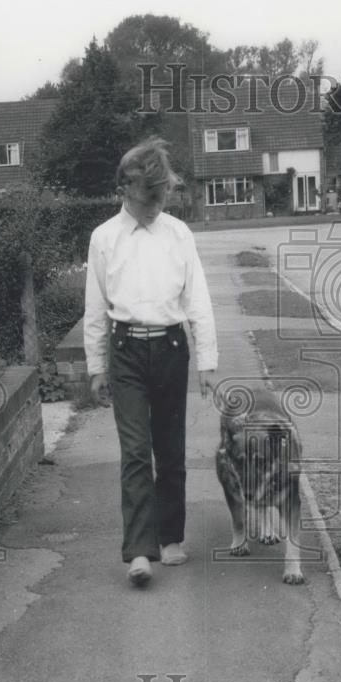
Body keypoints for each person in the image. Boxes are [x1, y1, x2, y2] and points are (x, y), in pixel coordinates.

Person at [84, 138, 218, 586]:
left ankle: (170, 538)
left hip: (171, 350)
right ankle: (140, 550)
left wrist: (208, 361)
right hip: (125, 352)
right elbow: (95, 307)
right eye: (149, 196)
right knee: (136, 452)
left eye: (162, 196)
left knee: (170, 448)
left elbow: (197, 298)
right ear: (125, 187)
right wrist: (96, 365)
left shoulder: (178, 233)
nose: (157, 204)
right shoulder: (104, 239)